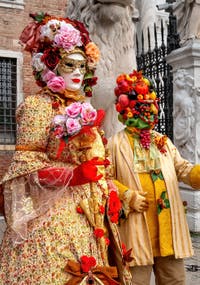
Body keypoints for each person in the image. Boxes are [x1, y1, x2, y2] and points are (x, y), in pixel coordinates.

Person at [0, 12, 132, 285]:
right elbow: (25, 166)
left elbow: (100, 160)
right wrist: (72, 176)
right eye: (68, 64)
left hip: (91, 216)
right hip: (53, 220)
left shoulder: (82, 108)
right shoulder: (38, 107)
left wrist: (112, 189)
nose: (76, 72)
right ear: (51, 66)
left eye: (81, 66)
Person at [108, 70, 200, 285]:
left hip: (169, 232)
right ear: (127, 109)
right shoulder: (114, 144)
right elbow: (103, 178)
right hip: (136, 231)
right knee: (135, 281)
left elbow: (184, 170)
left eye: (152, 104)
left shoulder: (164, 142)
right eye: (142, 105)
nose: (149, 110)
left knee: (175, 280)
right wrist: (127, 195)